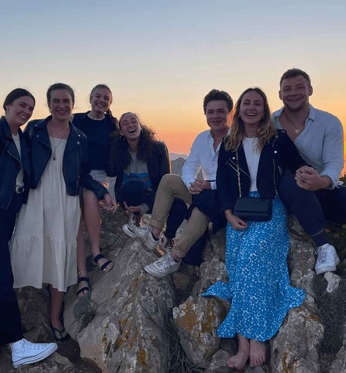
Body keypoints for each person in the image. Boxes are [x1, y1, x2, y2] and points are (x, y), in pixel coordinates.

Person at [202, 88, 306, 370]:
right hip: (239, 211)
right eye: (246, 103)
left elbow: (300, 167)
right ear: (239, 108)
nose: (251, 108)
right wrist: (227, 213)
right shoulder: (230, 143)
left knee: (251, 259)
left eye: (257, 104)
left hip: (270, 209)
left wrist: (321, 181)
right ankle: (243, 340)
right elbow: (223, 183)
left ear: (264, 109)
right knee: (237, 269)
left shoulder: (277, 139)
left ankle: (255, 338)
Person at [10, 83, 116, 342]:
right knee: (22, 255)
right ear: (49, 104)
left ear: (73, 103)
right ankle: (14, 318)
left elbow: (83, 173)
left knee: (60, 258)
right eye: (56, 101)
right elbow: (17, 159)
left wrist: (102, 192)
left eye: (66, 101)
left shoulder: (79, 137)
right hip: (36, 196)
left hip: (66, 198)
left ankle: (56, 318)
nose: (61, 106)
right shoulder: (34, 129)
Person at [0, 89, 58, 368]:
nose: (27, 111)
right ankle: (16, 344)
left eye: (31, 108)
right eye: (21, 105)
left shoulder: (19, 136)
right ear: (7, 104)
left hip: (6, 213)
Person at [124, 90, 233, 278]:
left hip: (226, 196)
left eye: (220, 111)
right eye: (210, 111)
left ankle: (174, 257)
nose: (215, 116)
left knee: (201, 208)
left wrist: (209, 185)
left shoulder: (237, 139)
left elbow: (237, 177)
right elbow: (191, 164)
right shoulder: (202, 138)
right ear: (205, 113)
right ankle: (154, 233)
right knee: (168, 180)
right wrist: (191, 183)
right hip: (203, 191)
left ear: (229, 113)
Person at [273, 68, 345, 275]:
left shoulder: (329, 122)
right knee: (290, 181)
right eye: (287, 89)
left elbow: (334, 162)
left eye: (299, 87)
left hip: (320, 188)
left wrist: (320, 181)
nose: (293, 92)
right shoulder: (269, 123)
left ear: (310, 90)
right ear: (280, 94)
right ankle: (323, 246)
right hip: (283, 191)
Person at [107, 112, 187, 246]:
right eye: (125, 124)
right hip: (128, 194)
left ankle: (167, 238)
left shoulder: (158, 149)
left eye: (133, 121)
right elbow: (110, 170)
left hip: (154, 197)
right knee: (135, 186)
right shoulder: (118, 150)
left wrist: (145, 206)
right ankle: (134, 218)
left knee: (179, 205)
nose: (130, 125)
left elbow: (165, 183)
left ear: (140, 126)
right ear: (121, 132)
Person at [72, 84, 118, 297]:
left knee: (91, 195)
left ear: (110, 103)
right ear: (90, 98)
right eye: (97, 96)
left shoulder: (112, 125)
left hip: (98, 176)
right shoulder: (76, 120)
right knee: (73, 214)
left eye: (105, 98)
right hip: (73, 175)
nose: (101, 100)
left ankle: (96, 252)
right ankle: (82, 274)